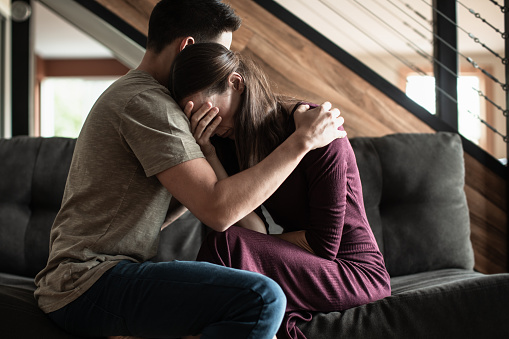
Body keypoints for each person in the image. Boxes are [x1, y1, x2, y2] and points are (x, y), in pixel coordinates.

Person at [34, 1, 346, 339]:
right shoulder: (148, 104)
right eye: (219, 52)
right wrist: (303, 140)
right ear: (188, 48)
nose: (223, 65)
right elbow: (219, 210)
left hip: (92, 279)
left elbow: (219, 209)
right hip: (89, 281)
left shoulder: (142, 97)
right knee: (261, 298)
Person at [167, 42, 391, 339]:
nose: (205, 123)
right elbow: (249, 226)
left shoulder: (319, 130)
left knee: (227, 243)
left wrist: (260, 245)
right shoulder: (229, 140)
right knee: (228, 241)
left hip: (352, 270)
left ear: (236, 83)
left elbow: (323, 246)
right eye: (192, 116)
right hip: (303, 261)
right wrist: (208, 153)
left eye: (207, 110)